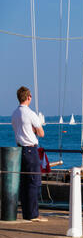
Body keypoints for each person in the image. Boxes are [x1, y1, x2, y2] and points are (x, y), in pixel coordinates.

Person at [11, 86, 47, 222]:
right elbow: (41, 133)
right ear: (28, 97)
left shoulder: (14, 113)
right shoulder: (31, 114)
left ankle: (26, 213)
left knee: (24, 183)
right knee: (34, 182)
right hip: (31, 150)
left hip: (20, 150)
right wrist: (33, 129)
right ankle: (33, 214)